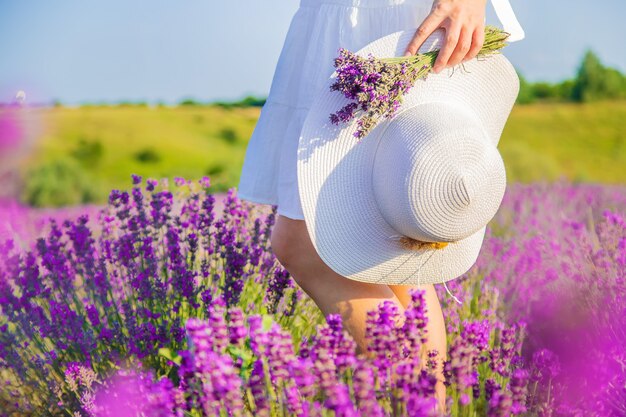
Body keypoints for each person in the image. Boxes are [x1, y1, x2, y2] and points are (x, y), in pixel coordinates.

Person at [238, 0, 511, 412]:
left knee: (301, 242)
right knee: (395, 256)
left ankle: (414, 403)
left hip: (372, 20)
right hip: (354, 19)